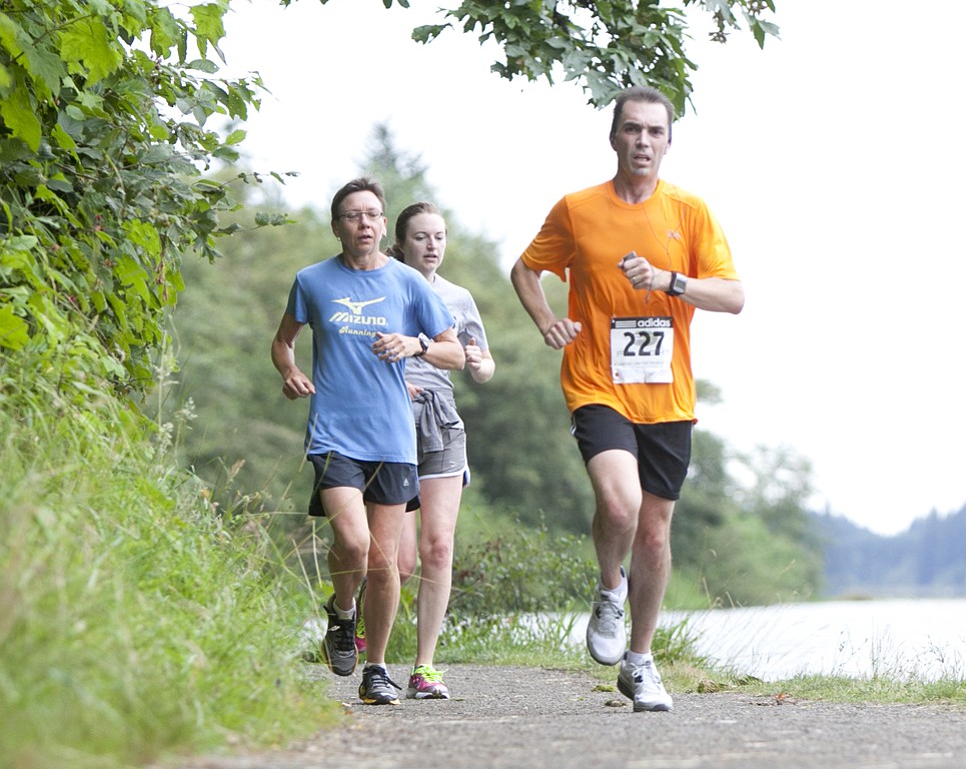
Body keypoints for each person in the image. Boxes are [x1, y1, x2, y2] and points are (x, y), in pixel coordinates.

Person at [510, 86, 744, 712]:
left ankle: (640, 662)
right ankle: (609, 588)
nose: (643, 141)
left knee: (656, 533)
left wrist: (670, 280)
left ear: (669, 142)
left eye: (655, 132)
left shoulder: (689, 212)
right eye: (632, 130)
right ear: (613, 137)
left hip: (667, 393)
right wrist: (544, 321)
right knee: (620, 505)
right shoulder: (578, 209)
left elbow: (733, 296)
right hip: (596, 380)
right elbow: (526, 269)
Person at [271, 177, 464, 705]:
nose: (364, 223)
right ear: (337, 227)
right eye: (353, 215)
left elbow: (455, 353)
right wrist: (289, 372)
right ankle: (342, 609)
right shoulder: (312, 280)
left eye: (373, 215)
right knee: (353, 544)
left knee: (384, 563)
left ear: (384, 225)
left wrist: (416, 344)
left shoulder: (408, 283)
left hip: (394, 439)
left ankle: (376, 668)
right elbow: (284, 341)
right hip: (334, 432)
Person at [385, 201, 496, 699]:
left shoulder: (459, 297)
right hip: (388, 422)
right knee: (400, 559)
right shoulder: (380, 283)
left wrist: (476, 361)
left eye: (440, 237)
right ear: (403, 242)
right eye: (422, 237)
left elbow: (485, 366)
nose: (433, 246)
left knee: (439, 546)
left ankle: (424, 667)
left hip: (442, 421)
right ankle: (367, 631)